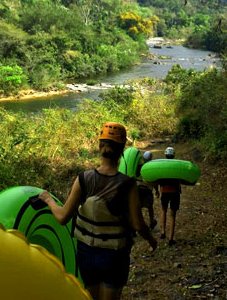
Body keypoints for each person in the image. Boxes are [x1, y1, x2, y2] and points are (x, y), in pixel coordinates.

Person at [39, 122, 158, 300]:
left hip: (86, 252)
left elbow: (63, 217)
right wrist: (151, 240)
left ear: (99, 146)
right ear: (122, 151)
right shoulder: (128, 184)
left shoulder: (83, 179)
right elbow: (138, 224)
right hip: (115, 255)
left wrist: (48, 199)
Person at [158, 146, 182, 246]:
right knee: (173, 215)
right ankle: (171, 239)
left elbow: (160, 179)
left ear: (165, 155)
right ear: (173, 155)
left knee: (163, 210)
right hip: (175, 192)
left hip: (165, 192)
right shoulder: (177, 166)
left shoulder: (163, 166)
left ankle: (163, 232)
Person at [137, 150, 159, 231]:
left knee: (138, 208)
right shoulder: (151, 168)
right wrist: (157, 190)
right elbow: (154, 180)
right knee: (150, 207)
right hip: (147, 191)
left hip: (138, 189)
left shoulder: (138, 166)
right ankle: (151, 222)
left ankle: (137, 225)